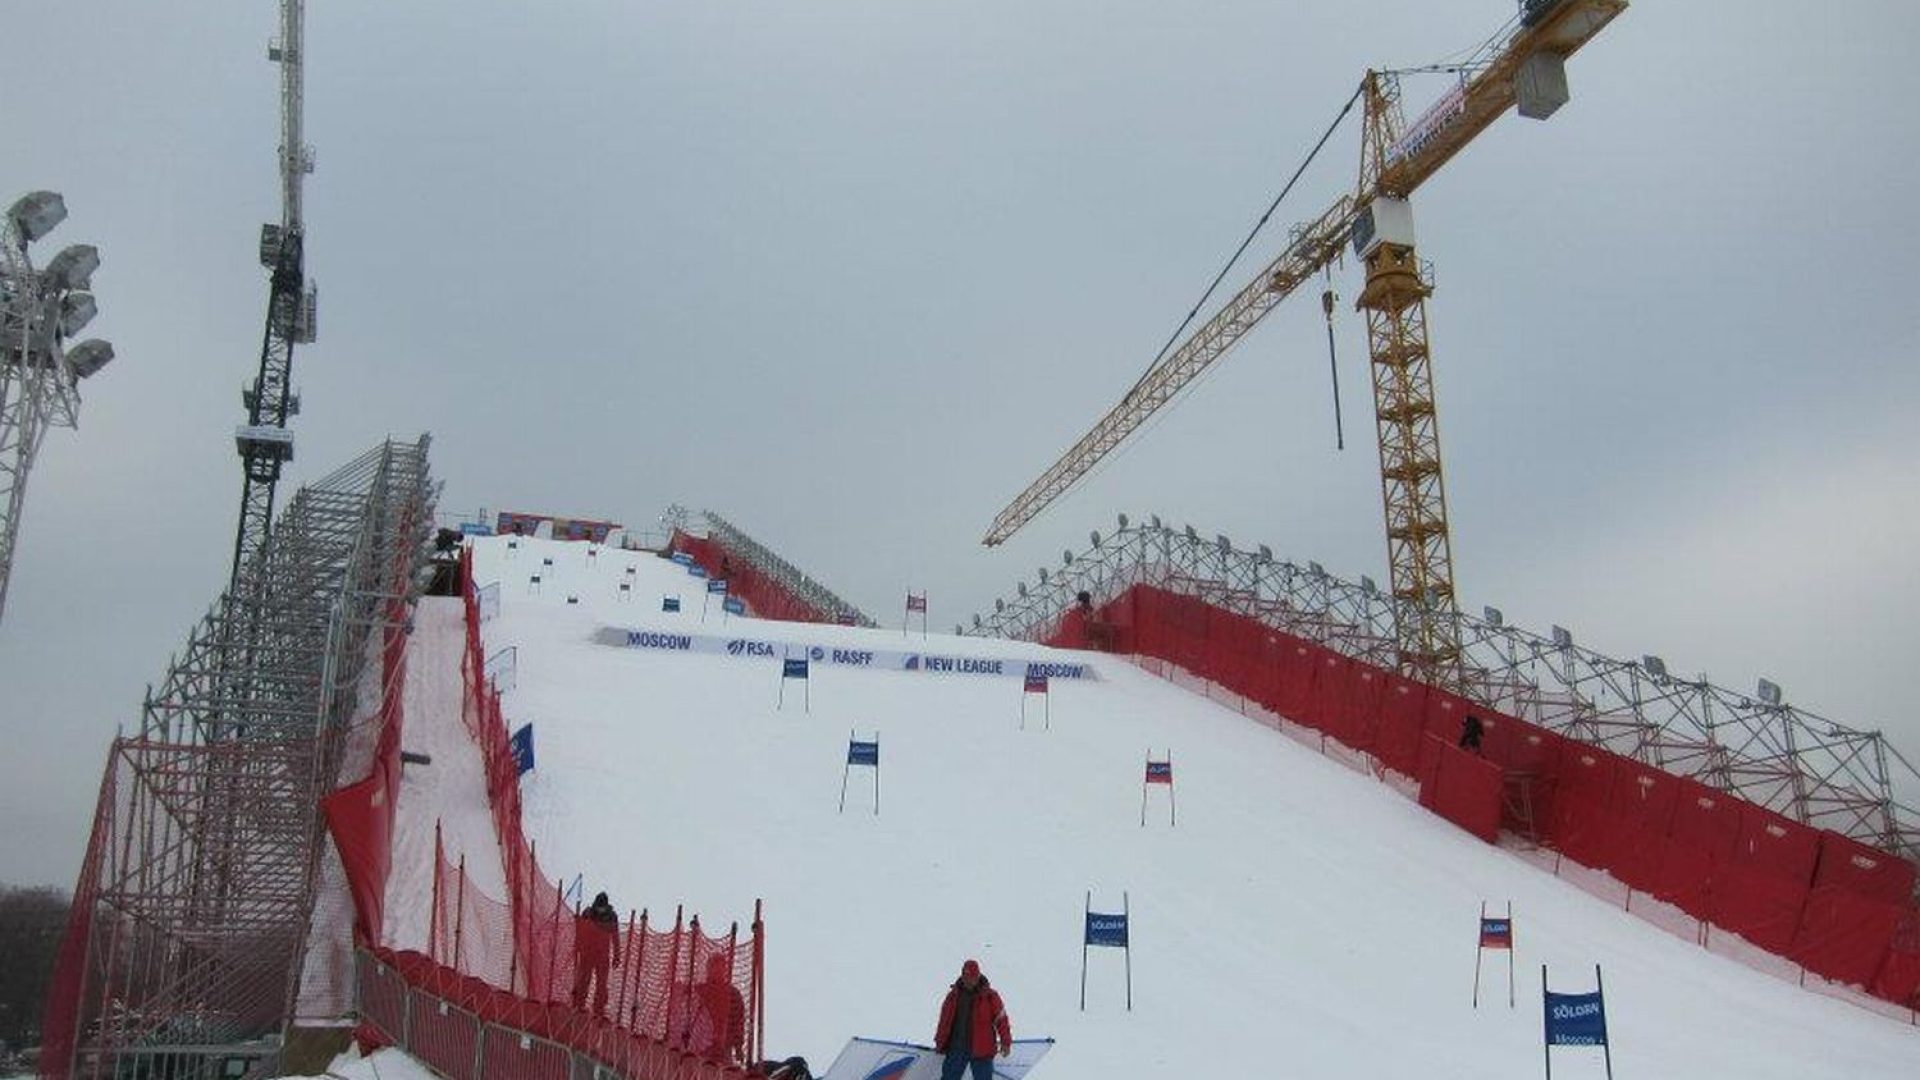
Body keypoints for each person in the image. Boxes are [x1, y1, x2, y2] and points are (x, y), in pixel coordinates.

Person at [933, 959, 1011, 1080]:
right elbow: (944, 1021)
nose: (968, 980)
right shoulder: (953, 996)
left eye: (972, 977)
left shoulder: (990, 996)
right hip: (957, 1048)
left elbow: (1002, 1020)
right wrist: (940, 1041)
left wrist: (1006, 1042)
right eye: (966, 977)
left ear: (978, 976)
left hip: (982, 1050)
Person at [571, 892, 621, 1017]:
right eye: (599, 907)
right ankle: (579, 1005)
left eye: (602, 907)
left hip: (602, 955)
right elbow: (580, 931)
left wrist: (617, 955)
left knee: (601, 984)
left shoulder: (611, 917)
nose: (600, 910)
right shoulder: (588, 913)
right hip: (587, 953)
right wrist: (576, 946)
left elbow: (615, 937)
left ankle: (598, 1010)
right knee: (584, 980)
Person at [690, 955, 747, 1063]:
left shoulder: (732, 993)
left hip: (723, 1046)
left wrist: (738, 1046)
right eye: (714, 967)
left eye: (721, 967)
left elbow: (738, 1020)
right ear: (708, 969)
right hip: (700, 1045)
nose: (717, 971)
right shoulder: (700, 991)